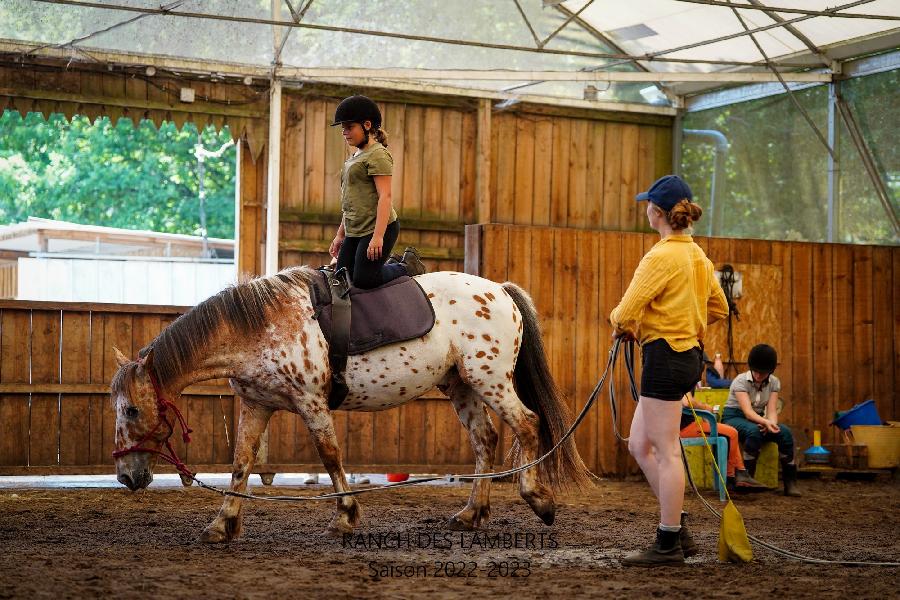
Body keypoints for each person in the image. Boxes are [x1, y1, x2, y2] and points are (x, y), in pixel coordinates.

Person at [610, 174, 729, 567]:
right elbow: (719, 309)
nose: (645, 209)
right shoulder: (698, 256)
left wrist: (625, 325)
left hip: (664, 358)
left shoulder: (661, 256)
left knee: (665, 452)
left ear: (657, 213)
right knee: (640, 445)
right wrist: (682, 323)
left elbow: (625, 312)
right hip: (686, 356)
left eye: (648, 205)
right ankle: (677, 526)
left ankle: (668, 543)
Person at [328, 94, 425, 288]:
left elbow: (385, 197)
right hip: (355, 230)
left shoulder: (378, 155)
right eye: (343, 128)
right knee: (341, 277)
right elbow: (351, 204)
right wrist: (340, 235)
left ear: (366, 125)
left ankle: (407, 266)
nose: (344, 132)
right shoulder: (354, 157)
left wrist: (378, 236)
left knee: (364, 280)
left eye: (349, 127)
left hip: (379, 228)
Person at [721, 344, 800, 497]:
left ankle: (790, 483)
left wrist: (771, 424)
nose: (758, 376)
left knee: (784, 433)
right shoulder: (740, 381)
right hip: (734, 417)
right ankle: (745, 480)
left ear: (770, 371)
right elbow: (748, 412)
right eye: (756, 371)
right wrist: (764, 423)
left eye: (762, 373)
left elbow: (771, 410)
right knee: (754, 431)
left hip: (757, 418)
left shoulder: (774, 383)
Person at [680, 393, 765, 489]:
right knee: (732, 433)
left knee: (726, 433)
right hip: (683, 428)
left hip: (674, 427)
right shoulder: (684, 380)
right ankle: (730, 477)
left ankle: (740, 473)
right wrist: (705, 407)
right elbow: (687, 402)